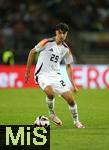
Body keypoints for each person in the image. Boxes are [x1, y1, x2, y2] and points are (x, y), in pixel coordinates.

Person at [25, 22, 85, 128]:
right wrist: (27, 72)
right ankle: (52, 114)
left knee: (70, 100)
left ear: (67, 34)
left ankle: (76, 122)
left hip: (56, 76)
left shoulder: (66, 49)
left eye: (64, 33)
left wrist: (73, 84)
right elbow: (32, 52)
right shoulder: (46, 42)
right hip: (42, 74)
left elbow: (68, 66)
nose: (62, 36)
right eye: (60, 33)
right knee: (50, 93)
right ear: (56, 32)